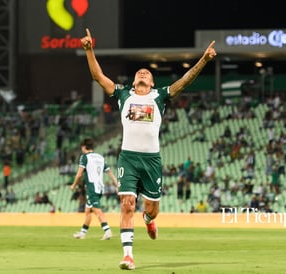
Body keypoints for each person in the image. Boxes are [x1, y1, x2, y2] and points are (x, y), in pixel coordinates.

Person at [80, 28, 217, 270]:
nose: (143, 72)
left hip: (152, 160)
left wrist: (203, 60)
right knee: (126, 204)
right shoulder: (123, 94)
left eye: (147, 73)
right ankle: (128, 255)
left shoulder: (159, 96)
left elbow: (184, 81)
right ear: (134, 81)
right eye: (139, 72)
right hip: (129, 159)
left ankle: (148, 220)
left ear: (152, 82)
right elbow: (98, 77)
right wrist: (90, 50)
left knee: (152, 209)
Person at [70, 138, 118, 240]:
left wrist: (74, 185)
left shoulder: (85, 157)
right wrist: (117, 185)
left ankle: (107, 231)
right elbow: (110, 172)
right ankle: (82, 233)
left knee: (97, 211)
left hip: (92, 188)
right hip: (100, 187)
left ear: (84, 147)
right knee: (88, 211)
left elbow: (79, 174)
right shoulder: (100, 157)